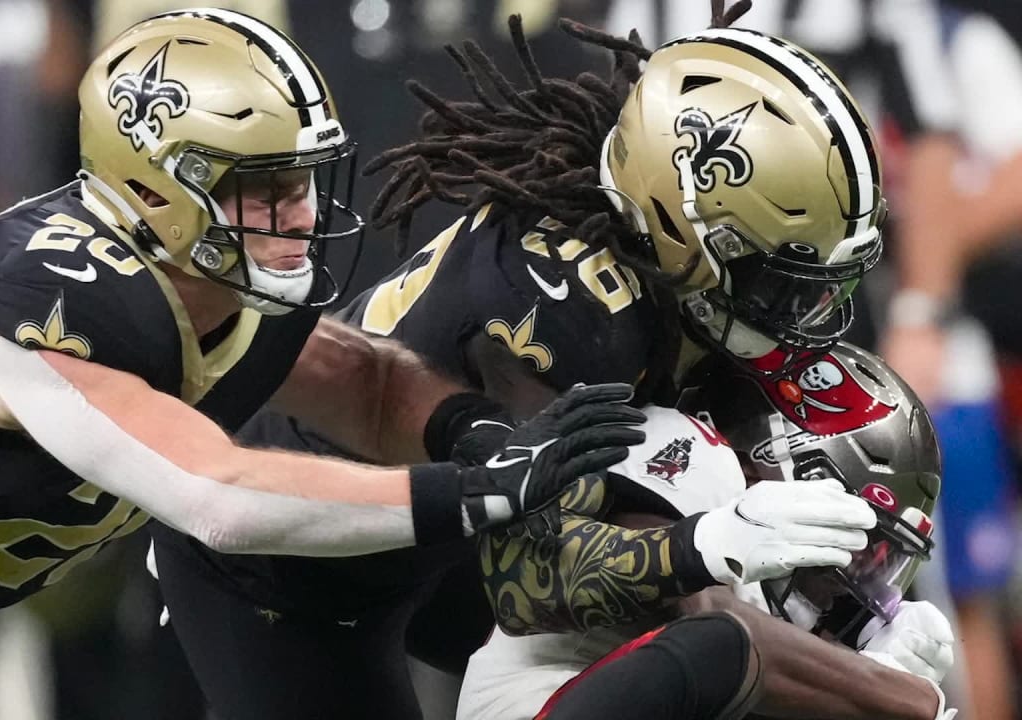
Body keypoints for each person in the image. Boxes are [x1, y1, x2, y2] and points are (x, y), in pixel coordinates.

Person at [0, 10, 676, 720]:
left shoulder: (221, 284)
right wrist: (475, 489)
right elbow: (215, 492)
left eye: (303, 179)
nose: (300, 212)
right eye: (262, 186)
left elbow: (367, 378)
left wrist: (472, 430)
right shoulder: (57, 300)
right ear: (154, 185)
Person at [148, 4, 891, 718]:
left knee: (714, 643)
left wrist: (855, 633)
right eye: (781, 280)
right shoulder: (570, 309)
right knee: (695, 633)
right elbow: (529, 583)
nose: (809, 318)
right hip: (294, 561)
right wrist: (707, 546)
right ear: (680, 221)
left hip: (450, 531)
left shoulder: (659, 266)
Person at [460, 343, 959, 720]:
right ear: (781, 471)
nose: (847, 588)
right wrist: (902, 695)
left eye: (882, 561)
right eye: (858, 545)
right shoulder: (690, 450)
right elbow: (711, 630)